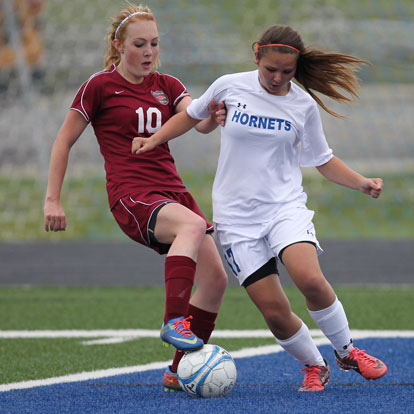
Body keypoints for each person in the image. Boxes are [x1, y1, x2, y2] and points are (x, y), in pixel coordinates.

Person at [132, 24, 388, 392]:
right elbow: (191, 117)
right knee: (274, 311)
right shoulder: (229, 86)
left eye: (287, 72)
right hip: (236, 220)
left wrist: (362, 182)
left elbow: (322, 159)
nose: (278, 78)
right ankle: (314, 365)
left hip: (284, 208)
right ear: (257, 55)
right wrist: (153, 139)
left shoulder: (302, 105)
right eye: (271, 70)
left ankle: (347, 350)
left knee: (310, 279)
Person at [43, 4, 228, 392]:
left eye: (155, 44)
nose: (148, 52)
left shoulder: (168, 85)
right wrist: (52, 200)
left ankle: (178, 372)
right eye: (139, 44)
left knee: (215, 280)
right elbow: (63, 141)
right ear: (118, 45)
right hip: (133, 193)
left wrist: (215, 114)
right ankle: (173, 320)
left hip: (173, 191)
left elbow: (200, 124)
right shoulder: (99, 86)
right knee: (192, 226)